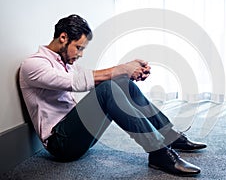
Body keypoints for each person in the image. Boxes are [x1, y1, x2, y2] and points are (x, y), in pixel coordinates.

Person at [19, 14, 207, 176]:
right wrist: (122, 69)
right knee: (108, 88)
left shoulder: (65, 64)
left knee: (120, 83)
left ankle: (170, 135)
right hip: (61, 143)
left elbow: (92, 78)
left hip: (78, 135)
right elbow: (76, 83)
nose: (81, 54)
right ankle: (159, 152)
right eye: (79, 47)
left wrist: (127, 73)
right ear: (63, 37)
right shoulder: (33, 65)